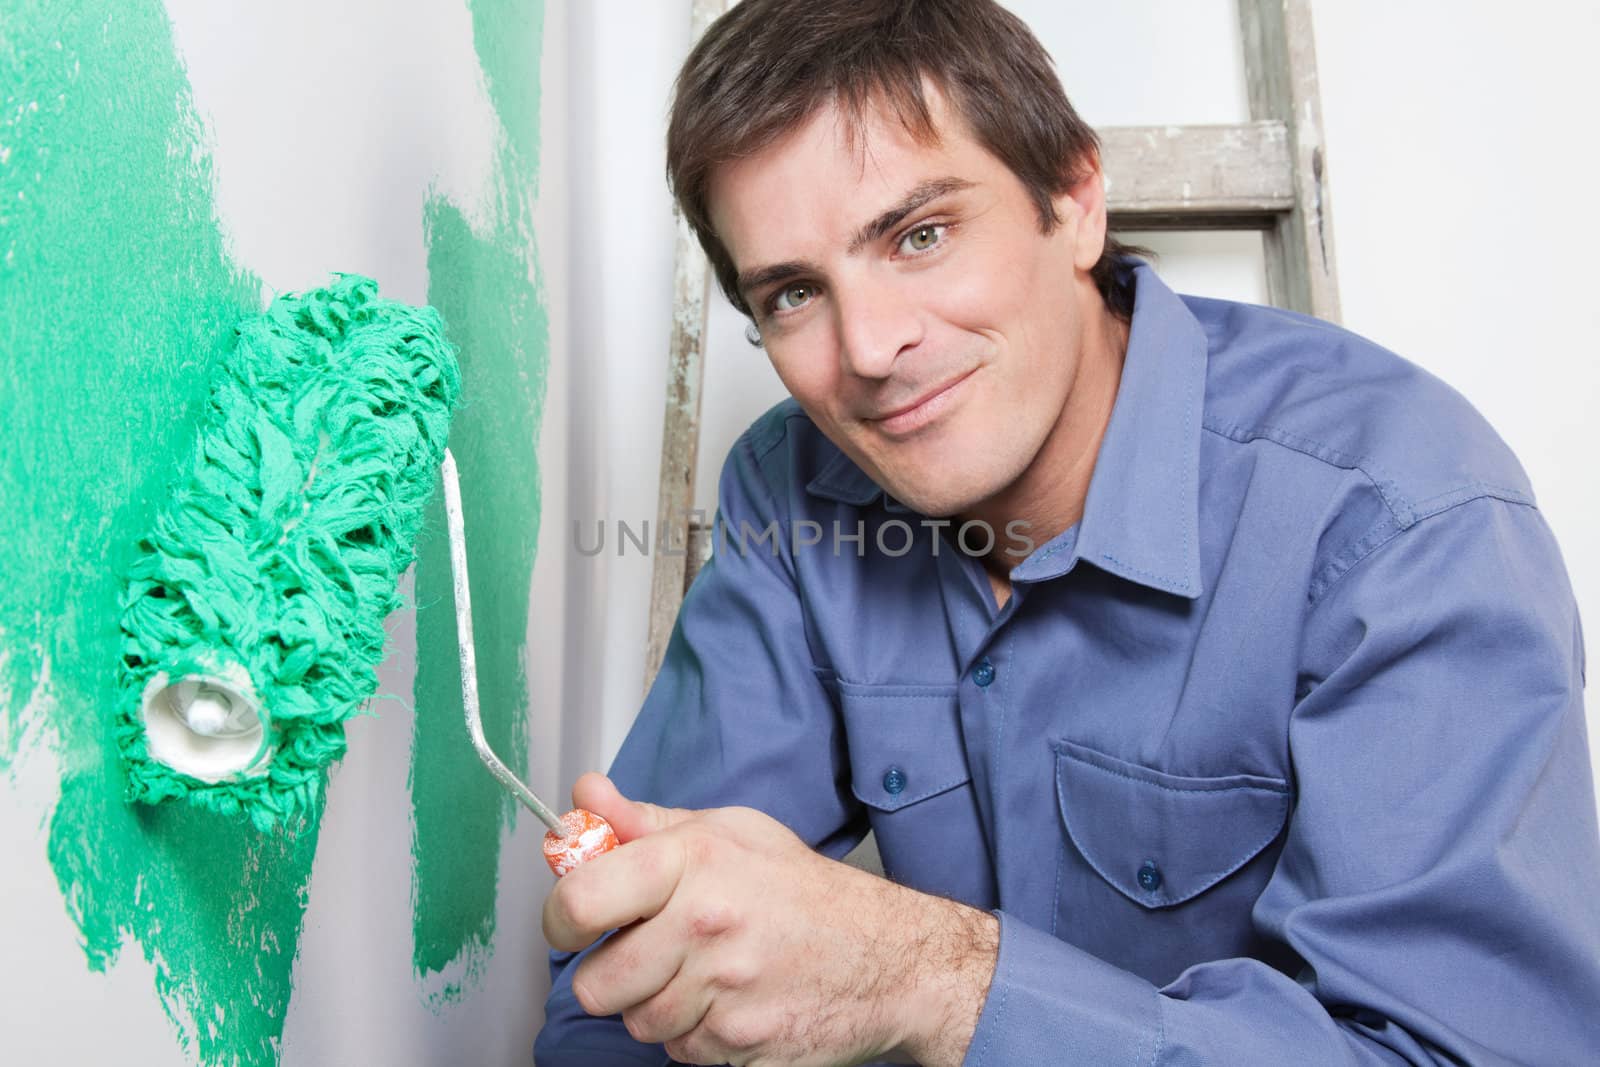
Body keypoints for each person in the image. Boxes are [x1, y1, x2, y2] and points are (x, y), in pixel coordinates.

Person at [534, 1, 1600, 1063]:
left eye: (920, 234)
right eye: (797, 292)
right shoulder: (792, 485)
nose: (868, 347)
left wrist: (926, 975)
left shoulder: (1400, 518)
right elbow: (626, 987)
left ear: (1075, 201)